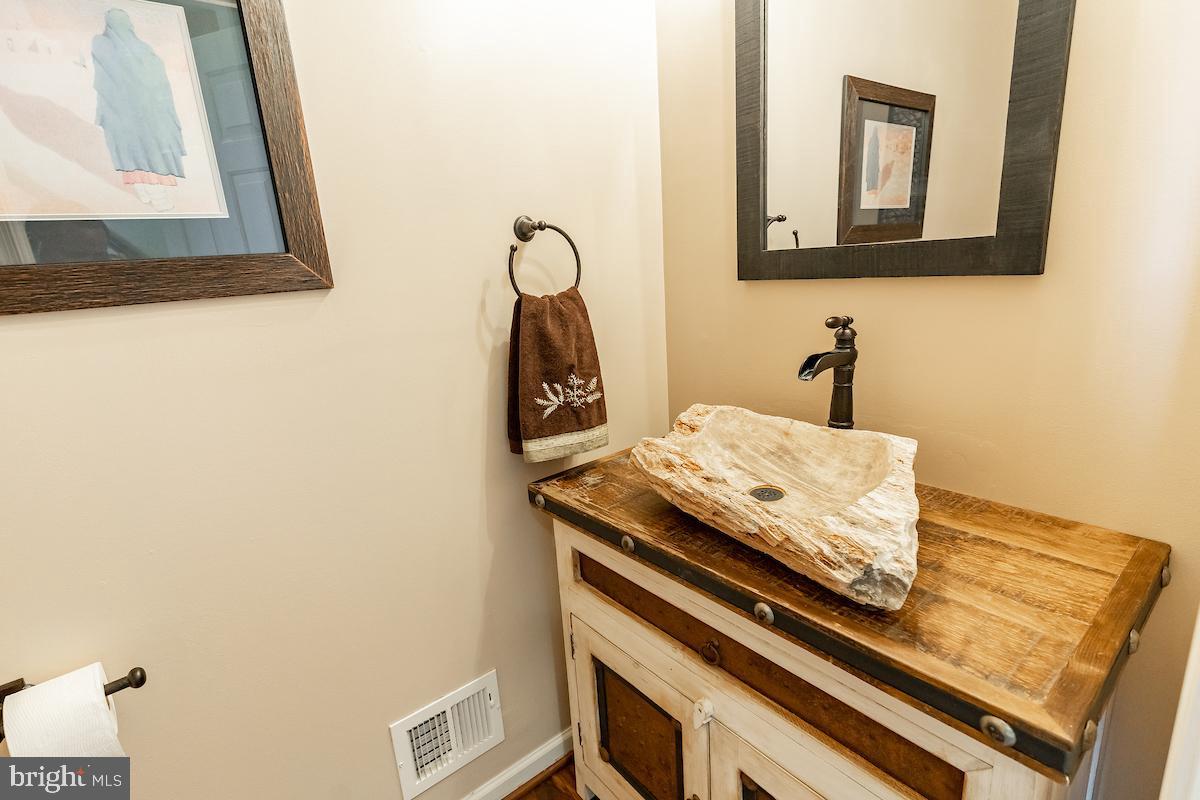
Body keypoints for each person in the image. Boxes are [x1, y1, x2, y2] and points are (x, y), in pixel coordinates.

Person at [91, 8, 186, 212]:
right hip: (146, 114)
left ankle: (146, 191)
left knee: (131, 151)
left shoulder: (101, 44)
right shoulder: (142, 48)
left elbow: (104, 80)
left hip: (121, 113)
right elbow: (158, 82)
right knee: (148, 151)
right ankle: (156, 196)